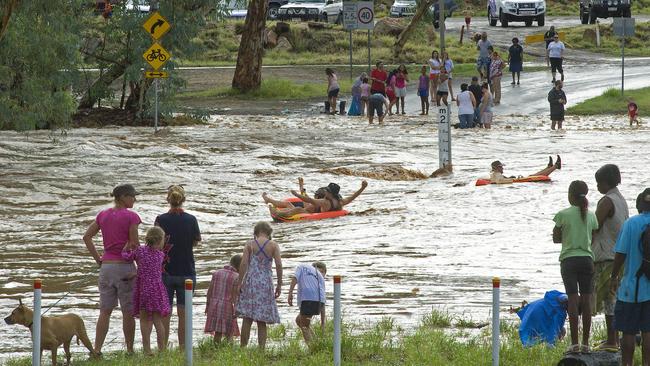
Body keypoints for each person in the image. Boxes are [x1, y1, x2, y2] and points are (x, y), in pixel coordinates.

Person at [83, 183, 141, 355]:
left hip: (106, 268)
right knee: (128, 312)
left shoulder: (103, 215)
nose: (134, 199)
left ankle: (97, 349)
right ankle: (130, 350)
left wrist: (98, 260)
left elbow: (86, 237)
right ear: (123, 197)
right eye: (132, 196)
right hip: (125, 268)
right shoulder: (132, 217)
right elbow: (135, 245)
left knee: (105, 311)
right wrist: (140, 268)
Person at [553, 180, 599, 354]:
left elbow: (556, 238)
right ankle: (586, 344)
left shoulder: (562, 214)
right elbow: (593, 237)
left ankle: (574, 344)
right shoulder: (592, 215)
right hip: (587, 260)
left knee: (573, 300)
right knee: (586, 301)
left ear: (570, 196)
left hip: (569, 261)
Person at [155, 185, 201, 350]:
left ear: (168, 199)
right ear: (183, 199)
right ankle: (183, 348)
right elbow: (195, 241)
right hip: (187, 271)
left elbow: (156, 244)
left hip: (165, 272)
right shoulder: (191, 219)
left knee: (164, 314)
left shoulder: (160, 219)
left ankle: (163, 348)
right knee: (184, 314)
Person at [609, 188, 650, 366]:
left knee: (628, 332)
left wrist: (613, 276)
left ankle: (627, 364)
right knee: (648, 331)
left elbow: (620, 254)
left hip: (631, 288)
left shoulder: (631, 223)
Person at [591, 164, 629, 352]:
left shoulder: (607, 201)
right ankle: (615, 339)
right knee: (614, 297)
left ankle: (611, 340)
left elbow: (594, 225)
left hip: (607, 256)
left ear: (606, 183)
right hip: (619, 256)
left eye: (599, 183)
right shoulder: (621, 200)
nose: (597, 187)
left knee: (608, 299)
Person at [121, 226, 171, 354]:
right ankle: (162, 349)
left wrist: (126, 247)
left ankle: (147, 350)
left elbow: (126, 256)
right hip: (157, 289)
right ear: (160, 240)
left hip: (144, 289)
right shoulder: (161, 255)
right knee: (157, 321)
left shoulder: (140, 251)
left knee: (144, 320)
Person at [236, 222, 282, 350]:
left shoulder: (250, 245)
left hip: (251, 283)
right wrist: (279, 284)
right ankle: (261, 350)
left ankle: (242, 348)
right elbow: (278, 265)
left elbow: (244, 264)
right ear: (269, 232)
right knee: (262, 320)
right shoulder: (273, 245)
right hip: (265, 284)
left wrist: (240, 282)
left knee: (247, 318)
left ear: (256, 232)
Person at [264, 181, 368, 217]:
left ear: (331, 194)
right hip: (312, 209)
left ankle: (277, 212)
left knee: (295, 208)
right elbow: (354, 196)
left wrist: (296, 194)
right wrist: (363, 188)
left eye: (327, 191)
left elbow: (310, 201)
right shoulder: (341, 202)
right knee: (291, 205)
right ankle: (268, 200)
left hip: (309, 211)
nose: (325, 192)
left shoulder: (325, 202)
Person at [205, 254, 242, 344]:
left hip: (214, 305)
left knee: (218, 331)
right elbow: (234, 297)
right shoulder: (236, 276)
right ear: (239, 266)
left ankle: (215, 347)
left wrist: (207, 305)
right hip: (227, 307)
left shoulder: (217, 273)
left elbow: (210, 291)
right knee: (229, 331)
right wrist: (237, 309)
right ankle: (229, 348)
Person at [287, 262, 327, 344]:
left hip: (309, 300)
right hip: (318, 301)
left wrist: (290, 293)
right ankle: (317, 343)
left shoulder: (301, 267)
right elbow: (322, 299)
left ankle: (313, 350)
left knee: (304, 326)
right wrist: (323, 323)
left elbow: (295, 278)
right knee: (299, 320)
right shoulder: (318, 277)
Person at [488, 156, 561, 184]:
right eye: (501, 167)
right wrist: (511, 179)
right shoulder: (497, 175)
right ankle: (555, 166)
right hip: (518, 181)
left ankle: (549, 167)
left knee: (533, 175)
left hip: (517, 180)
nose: (502, 168)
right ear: (497, 168)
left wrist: (509, 178)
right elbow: (499, 181)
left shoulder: (494, 174)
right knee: (536, 176)